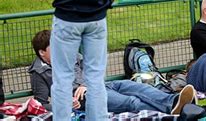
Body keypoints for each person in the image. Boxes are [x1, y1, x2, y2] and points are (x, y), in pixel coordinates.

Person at [29, 30, 196, 115]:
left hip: (97, 85)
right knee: (131, 102)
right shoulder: (39, 72)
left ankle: (174, 101)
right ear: (42, 53)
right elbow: (40, 104)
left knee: (136, 87)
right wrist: (66, 104)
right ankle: (176, 110)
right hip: (85, 99)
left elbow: (91, 67)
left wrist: (86, 83)